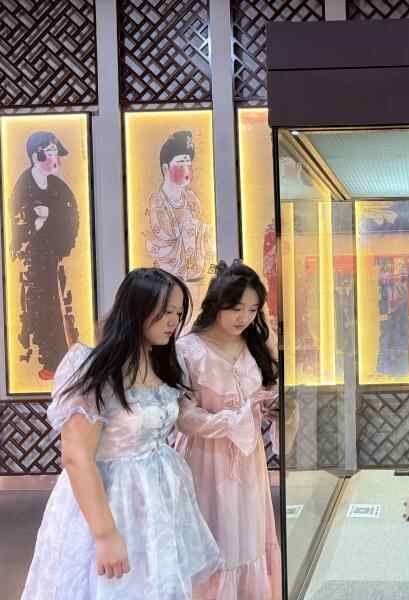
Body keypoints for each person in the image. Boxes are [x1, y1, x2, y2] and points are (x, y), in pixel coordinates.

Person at [21, 268, 226, 599]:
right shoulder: (93, 370)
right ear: (137, 309)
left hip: (158, 497)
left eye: (177, 313)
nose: (173, 322)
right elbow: (76, 458)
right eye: (165, 312)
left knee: (157, 583)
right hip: (112, 498)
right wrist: (105, 534)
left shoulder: (164, 361)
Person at [175, 260, 282, 600]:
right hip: (204, 458)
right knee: (213, 536)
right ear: (216, 304)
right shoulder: (187, 350)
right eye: (236, 308)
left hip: (249, 460)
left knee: (248, 537)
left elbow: (266, 393)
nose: (244, 317)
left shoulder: (256, 344)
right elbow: (183, 416)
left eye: (252, 309)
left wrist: (272, 408)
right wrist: (234, 420)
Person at [10, 131, 80, 380]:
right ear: (35, 155)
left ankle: (64, 360)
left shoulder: (59, 187)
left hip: (57, 259)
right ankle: (42, 359)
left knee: (61, 307)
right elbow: (14, 226)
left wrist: (62, 243)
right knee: (36, 309)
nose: (55, 159)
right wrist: (36, 222)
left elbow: (73, 219)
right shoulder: (23, 186)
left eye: (56, 153)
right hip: (30, 262)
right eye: (50, 153)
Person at [145, 130, 212, 283]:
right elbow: (163, 242)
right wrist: (190, 230)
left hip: (197, 275)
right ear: (165, 168)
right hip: (168, 278)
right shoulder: (158, 202)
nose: (187, 170)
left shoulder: (191, 199)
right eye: (181, 164)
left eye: (189, 164)